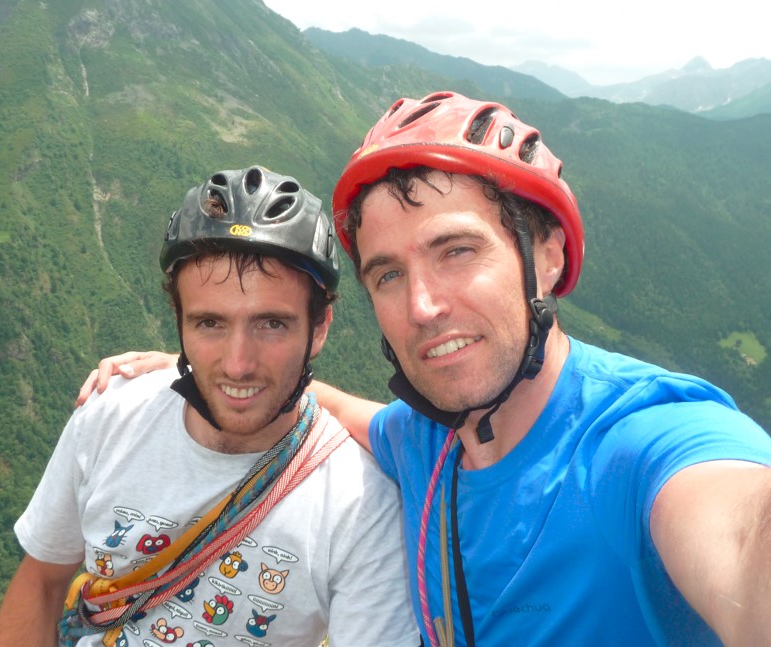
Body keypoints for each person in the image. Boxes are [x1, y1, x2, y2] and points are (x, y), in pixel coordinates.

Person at [78, 92, 771, 646]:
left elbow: (743, 537)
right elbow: (338, 406)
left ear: (547, 254)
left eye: (456, 251)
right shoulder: (423, 443)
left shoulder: (640, 442)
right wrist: (212, 365)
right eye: (388, 275)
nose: (423, 306)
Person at [0, 166, 420, 647]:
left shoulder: (360, 506)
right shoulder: (111, 414)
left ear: (319, 328)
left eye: (272, 324)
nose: (238, 365)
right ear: (179, 320)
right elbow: (42, 582)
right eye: (209, 324)